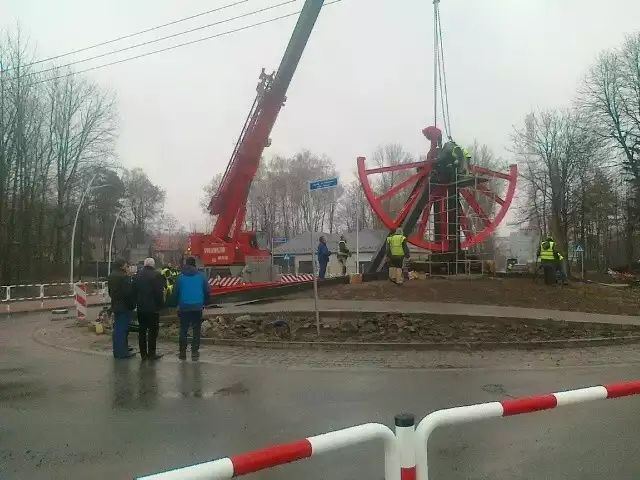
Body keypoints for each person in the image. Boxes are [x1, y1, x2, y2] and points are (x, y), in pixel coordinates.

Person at [174, 257, 210, 361]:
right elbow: (207, 291)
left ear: (186, 264)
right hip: (197, 307)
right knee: (196, 330)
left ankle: (182, 352)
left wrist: (174, 304)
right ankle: (194, 352)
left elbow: (175, 292)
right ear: (195, 265)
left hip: (184, 307)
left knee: (183, 330)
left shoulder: (180, 276)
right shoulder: (201, 276)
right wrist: (206, 302)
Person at [132, 257, 165, 361]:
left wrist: (135, 304)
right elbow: (159, 292)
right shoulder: (157, 275)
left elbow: (134, 291)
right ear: (153, 265)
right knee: (152, 332)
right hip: (153, 308)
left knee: (142, 331)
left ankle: (143, 354)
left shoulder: (137, 275)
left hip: (141, 308)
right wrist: (161, 305)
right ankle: (151, 353)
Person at [107, 258, 136, 359]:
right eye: (126, 265)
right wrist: (132, 305)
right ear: (122, 266)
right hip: (124, 306)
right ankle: (121, 352)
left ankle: (120, 349)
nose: (127, 267)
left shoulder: (111, 276)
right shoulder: (124, 277)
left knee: (118, 329)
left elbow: (110, 292)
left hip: (116, 304)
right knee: (122, 329)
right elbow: (128, 293)